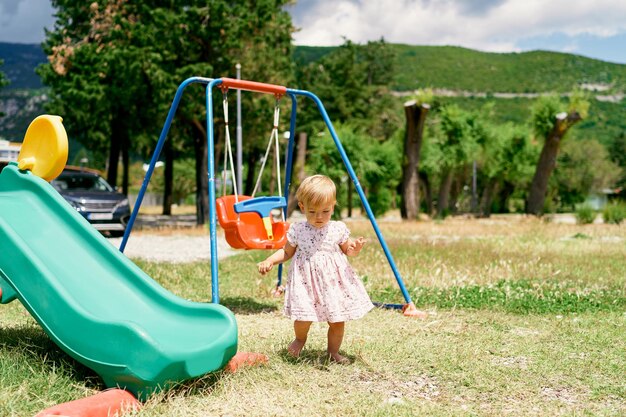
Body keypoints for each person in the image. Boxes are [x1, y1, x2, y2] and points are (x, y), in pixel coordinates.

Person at [257, 175, 374, 364]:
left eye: (325, 211)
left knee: (337, 320)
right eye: (312, 211)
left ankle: (333, 352)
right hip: (305, 282)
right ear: (302, 207)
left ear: (333, 206)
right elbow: (287, 252)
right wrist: (270, 260)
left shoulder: (337, 228)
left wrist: (354, 249)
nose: (319, 217)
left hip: (332, 283)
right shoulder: (298, 229)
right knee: (303, 316)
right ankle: (300, 339)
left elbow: (347, 250)